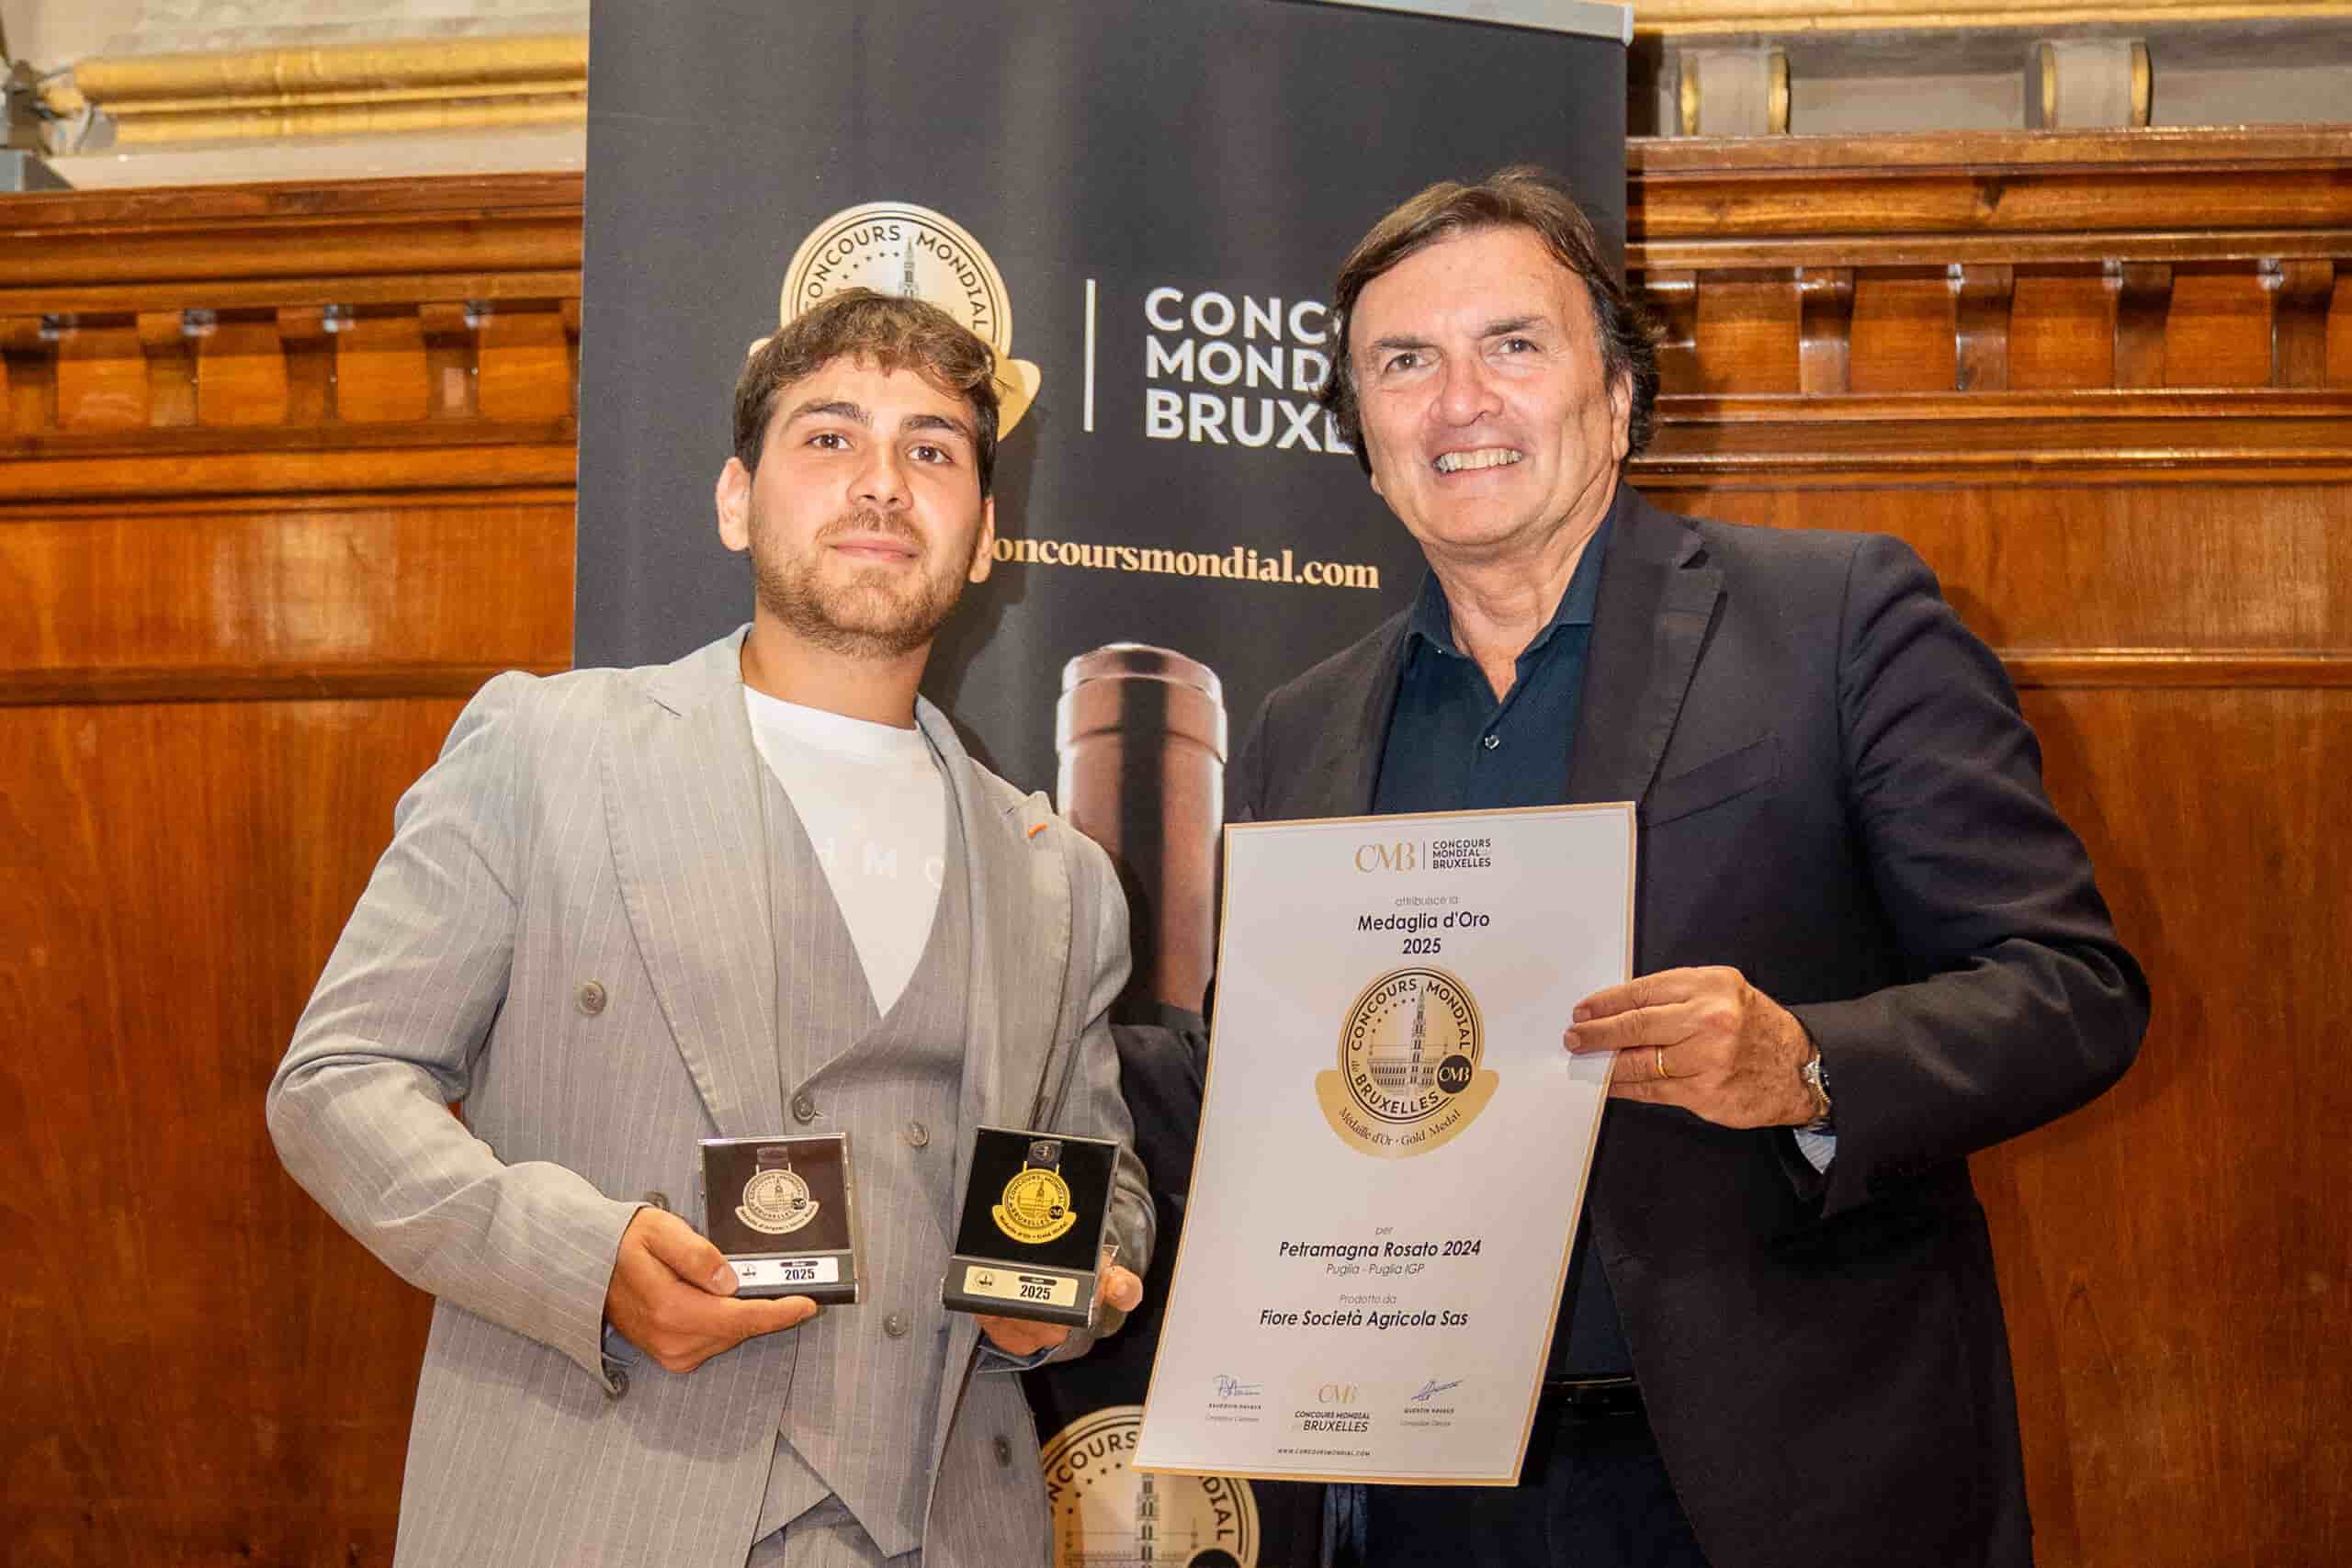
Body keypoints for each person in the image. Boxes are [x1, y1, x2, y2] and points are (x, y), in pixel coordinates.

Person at [1227, 168, 2148, 1567]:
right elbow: (1268, 1091)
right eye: (1403, 363)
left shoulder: (1838, 621)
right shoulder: (1300, 732)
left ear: (1619, 395)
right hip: (1397, 1492)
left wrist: (1808, 1064)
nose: (1459, 401)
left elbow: (2071, 987)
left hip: (1760, 1485)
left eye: (1513, 346)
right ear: (1361, 432)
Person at [267, 288, 1152, 1568]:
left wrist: (1065, 1303)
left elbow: (1099, 1181)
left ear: (982, 540)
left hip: (953, 1525)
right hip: (597, 1514)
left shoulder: (1059, 876)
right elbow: (335, 1086)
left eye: (932, 451)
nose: (883, 484)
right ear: (737, 499)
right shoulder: (543, 751)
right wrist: (582, 1259)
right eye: (830, 437)